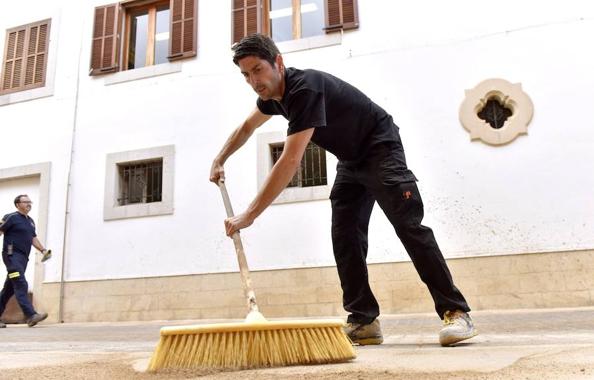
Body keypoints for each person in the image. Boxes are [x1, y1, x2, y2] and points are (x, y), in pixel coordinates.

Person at [209, 33, 477, 346]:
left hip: (380, 148)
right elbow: (246, 128)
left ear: (278, 64)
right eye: (245, 75)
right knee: (344, 234)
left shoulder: (304, 90)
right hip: (351, 160)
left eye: (257, 70)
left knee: (408, 227)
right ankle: (363, 320)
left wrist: (249, 215)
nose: (253, 81)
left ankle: (456, 312)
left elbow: (290, 161)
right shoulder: (272, 98)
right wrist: (220, 158)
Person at [0, 195, 49, 328]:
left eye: (30, 202)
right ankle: (31, 315)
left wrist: (43, 250)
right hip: (11, 256)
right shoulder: (11, 217)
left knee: (9, 289)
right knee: (21, 283)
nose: (29, 204)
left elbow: (33, 238)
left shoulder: (30, 221)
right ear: (17, 204)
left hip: (23, 259)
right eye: (25, 202)